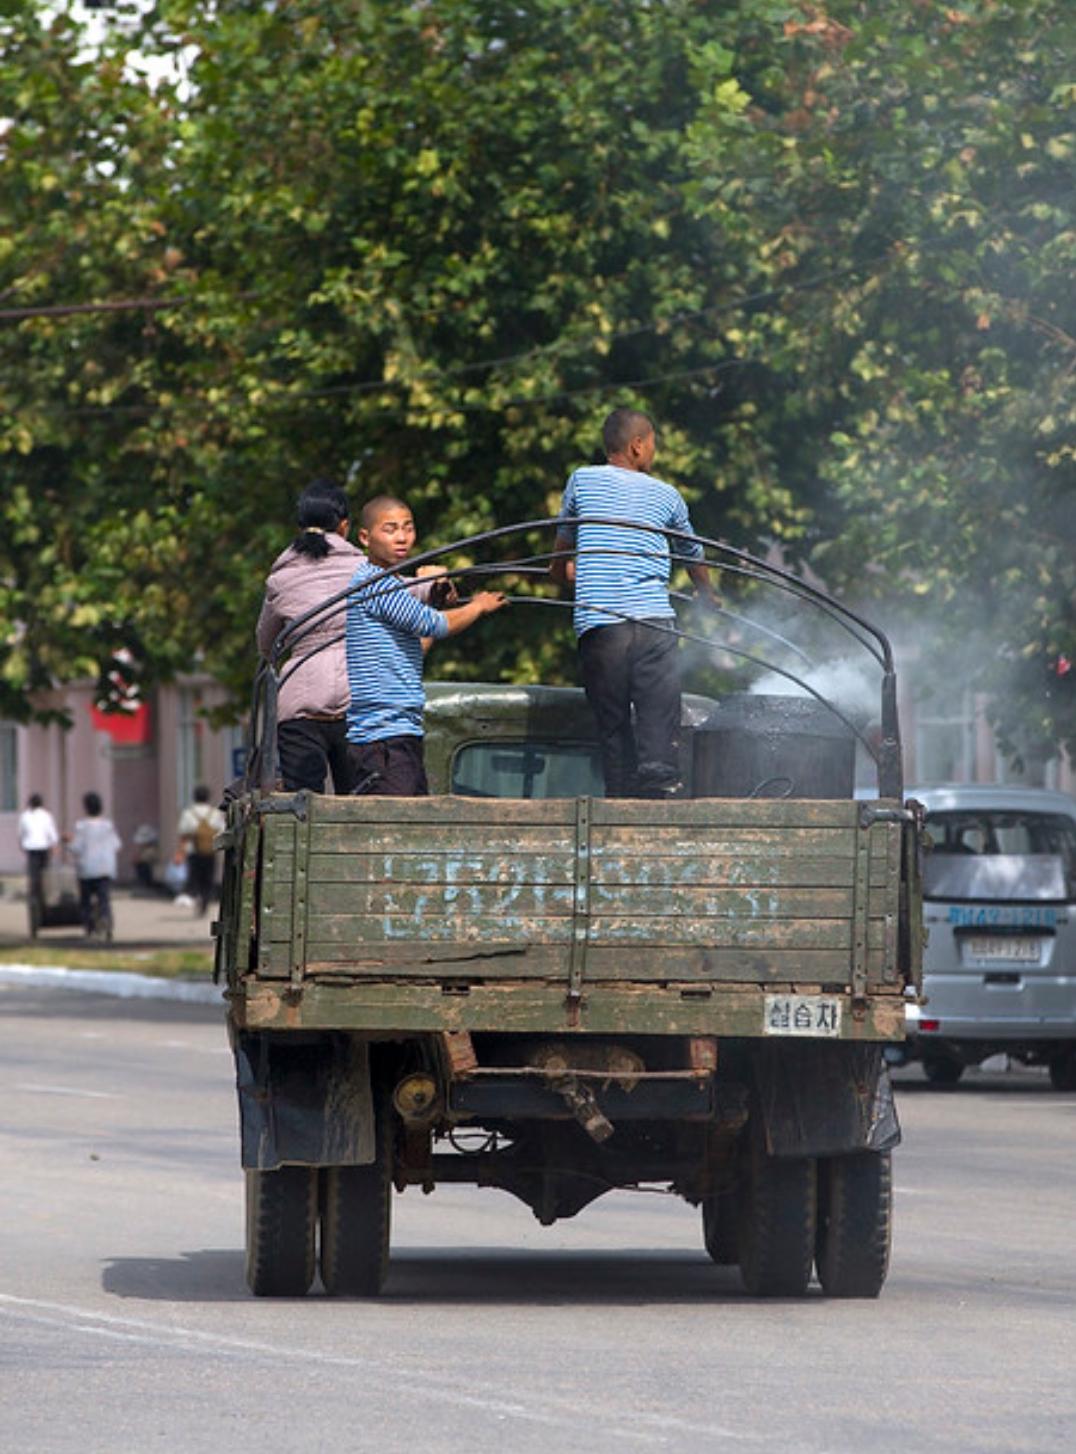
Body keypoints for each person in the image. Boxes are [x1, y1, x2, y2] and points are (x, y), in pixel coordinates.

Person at [551, 407, 719, 798]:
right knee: (658, 713)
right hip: (653, 622)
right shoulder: (667, 495)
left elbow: (561, 552)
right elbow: (692, 553)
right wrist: (706, 594)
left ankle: (620, 794)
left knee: (612, 721)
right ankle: (658, 777)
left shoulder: (582, 480)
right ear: (638, 446)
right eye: (655, 445)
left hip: (602, 624)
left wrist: (562, 573)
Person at [346, 495, 506, 795]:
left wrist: (434, 598)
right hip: (384, 739)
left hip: (400, 732)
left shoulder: (389, 584)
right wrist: (478, 607)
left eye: (408, 528)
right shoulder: (375, 585)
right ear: (365, 537)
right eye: (390, 529)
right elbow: (435, 624)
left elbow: (419, 643)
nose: (402, 538)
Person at [257, 479, 366, 794]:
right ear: (344, 527)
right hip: (355, 702)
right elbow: (408, 593)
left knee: (302, 806)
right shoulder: (365, 571)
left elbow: (266, 645)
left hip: (298, 707)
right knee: (359, 802)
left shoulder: (280, 580)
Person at [67, 792, 121, 938]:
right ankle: (106, 920)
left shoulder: (81, 826)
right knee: (104, 898)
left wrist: (68, 844)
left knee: (85, 900)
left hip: (87, 869)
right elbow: (117, 845)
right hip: (105, 868)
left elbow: (76, 847)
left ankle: (89, 927)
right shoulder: (108, 825)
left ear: (86, 808)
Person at [178, 786, 226, 915]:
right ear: (208, 797)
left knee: (195, 878)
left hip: (194, 852)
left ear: (194, 797)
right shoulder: (214, 813)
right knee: (208, 879)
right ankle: (205, 900)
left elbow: (183, 834)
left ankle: (198, 897)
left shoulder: (188, 813)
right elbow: (221, 831)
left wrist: (180, 852)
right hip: (210, 852)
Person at [18, 793, 59, 904]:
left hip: (31, 848)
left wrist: (21, 844)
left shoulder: (25, 816)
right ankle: (44, 895)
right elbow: (51, 832)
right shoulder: (46, 815)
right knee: (44, 872)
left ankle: (34, 897)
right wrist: (54, 845)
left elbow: (21, 833)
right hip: (44, 847)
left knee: (33, 873)